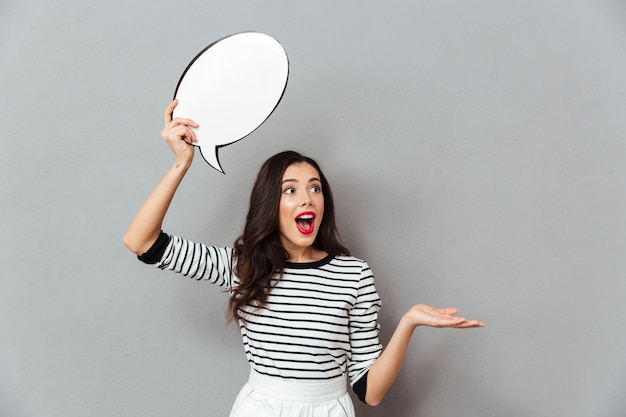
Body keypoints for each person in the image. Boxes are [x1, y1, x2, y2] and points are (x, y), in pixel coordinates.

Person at [123, 100, 485, 417]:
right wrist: (181, 163)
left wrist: (408, 323)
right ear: (271, 206)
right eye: (290, 190)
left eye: (315, 188)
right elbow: (141, 241)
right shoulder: (243, 265)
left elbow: (370, 392)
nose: (307, 198)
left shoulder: (353, 275)